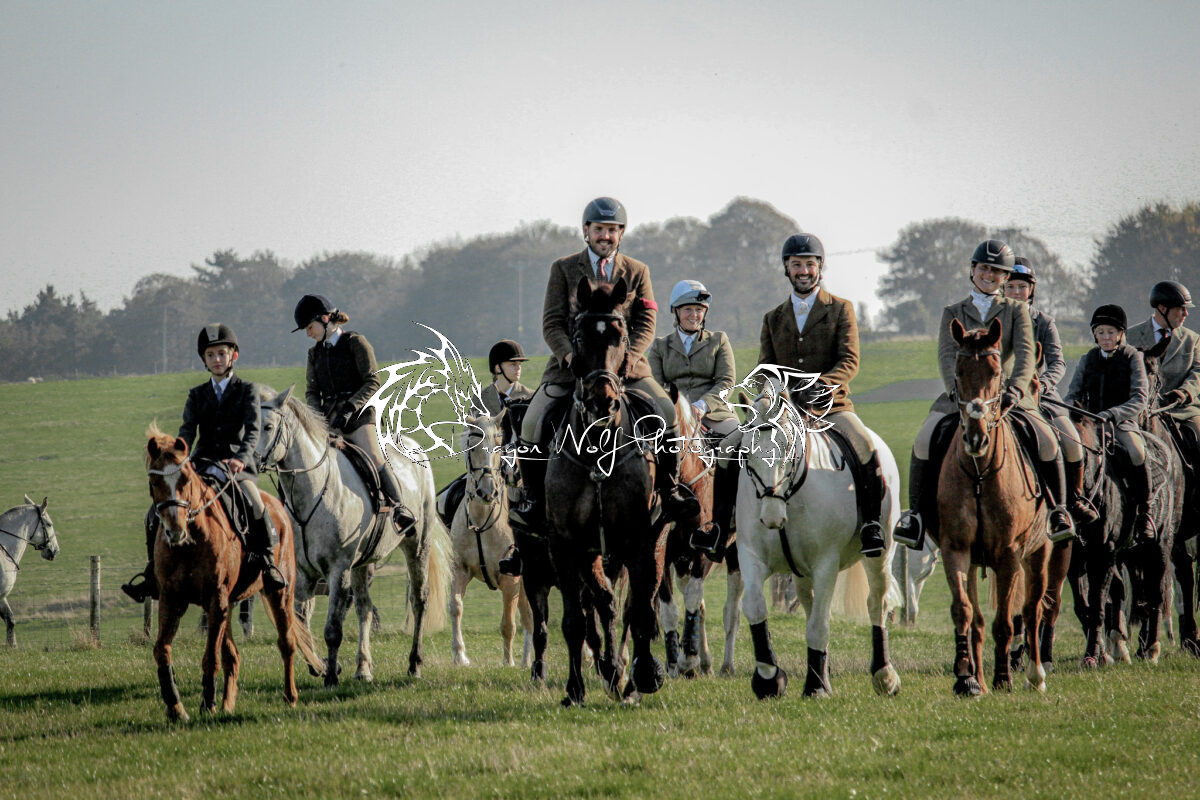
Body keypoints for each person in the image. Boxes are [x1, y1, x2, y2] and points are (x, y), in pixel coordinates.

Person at [502, 197, 699, 575]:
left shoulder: (637, 271)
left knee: (665, 409)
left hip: (626, 369)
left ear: (620, 234)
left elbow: (645, 323)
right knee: (532, 420)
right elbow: (552, 323)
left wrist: (627, 359)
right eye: (599, 230)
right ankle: (533, 501)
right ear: (586, 231)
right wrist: (568, 357)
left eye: (612, 230)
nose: (605, 236)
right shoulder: (563, 269)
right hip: (571, 370)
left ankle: (670, 488)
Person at [893, 239, 1076, 550]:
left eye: (996, 271)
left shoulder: (1016, 310)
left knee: (1047, 440)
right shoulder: (952, 311)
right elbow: (946, 356)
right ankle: (916, 516)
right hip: (961, 396)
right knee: (924, 439)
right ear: (973, 270)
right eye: (984, 268)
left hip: (1008, 396)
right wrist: (956, 393)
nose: (989, 275)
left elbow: (1026, 355)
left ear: (1004, 277)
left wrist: (1016, 388)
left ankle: (1058, 512)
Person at [121, 324, 286, 602]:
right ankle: (152, 574)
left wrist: (240, 459)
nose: (217, 359)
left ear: (233, 355)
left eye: (222, 353)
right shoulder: (196, 394)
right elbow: (187, 431)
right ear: (204, 360)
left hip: (236, 468)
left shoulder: (247, 390)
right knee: (154, 513)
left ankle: (269, 564)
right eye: (211, 355)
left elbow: (253, 431)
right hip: (201, 464)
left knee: (257, 505)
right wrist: (180, 458)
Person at [758, 233, 886, 556]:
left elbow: (849, 360)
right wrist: (772, 394)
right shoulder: (773, 318)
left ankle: (871, 524)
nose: (803, 271)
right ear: (786, 268)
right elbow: (766, 368)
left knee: (864, 445)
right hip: (787, 410)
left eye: (809, 264)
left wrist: (823, 385)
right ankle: (725, 525)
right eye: (796, 264)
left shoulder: (841, 309)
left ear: (819, 267)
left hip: (833, 407)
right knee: (746, 447)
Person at [293, 294, 413, 531]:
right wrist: (316, 420)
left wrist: (349, 408)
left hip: (359, 416)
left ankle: (400, 508)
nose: (308, 333)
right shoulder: (314, 354)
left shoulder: (356, 342)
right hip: (328, 420)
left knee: (373, 456)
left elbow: (372, 381)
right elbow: (312, 392)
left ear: (325, 319)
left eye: (309, 327)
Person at [1004, 257, 1098, 525]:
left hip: (1040, 397)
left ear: (1031, 289)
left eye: (1022, 287)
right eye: (1010, 287)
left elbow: (1058, 363)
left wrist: (1042, 385)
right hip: (1001, 397)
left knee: (1072, 442)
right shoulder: (992, 320)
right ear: (1002, 289)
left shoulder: (1044, 322)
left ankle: (1071, 502)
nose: (1016, 292)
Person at [648, 279, 739, 549]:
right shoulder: (660, 346)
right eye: (688, 309)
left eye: (699, 310)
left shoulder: (718, 340)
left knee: (738, 445)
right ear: (675, 312)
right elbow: (655, 385)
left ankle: (733, 515)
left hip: (713, 415)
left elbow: (727, 381)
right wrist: (678, 411)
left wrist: (702, 405)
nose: (694, 315)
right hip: (673, 418)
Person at [1063, 305, 1155, 541]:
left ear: (1121, 334)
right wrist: (1071, 408)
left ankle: (1145, 512)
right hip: (1090, 426)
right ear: (1095, 335)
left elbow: (1140, 398)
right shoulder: (1087, 359)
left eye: (1110, 332)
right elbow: (1072, 394)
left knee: (1137, 452)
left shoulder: (1133, 357)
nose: (1105, 337)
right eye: (1100, 332)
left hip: (1122, 424)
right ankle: (1067, 507)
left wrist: (1113, 414)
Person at [1126, 280, 1200, 461]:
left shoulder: (1193, 340)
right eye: (1180, 309)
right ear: (1162, 308)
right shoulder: (1130, 337)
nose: (1186, 313)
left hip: (1182, 410)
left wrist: (1185, 392)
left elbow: (1198, 371)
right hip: (1140, 410)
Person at [481, 338, 533, 420]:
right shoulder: (481, 398)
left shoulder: (530, 397)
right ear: (498, 368)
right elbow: (470, 427)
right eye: (513, 364)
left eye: (520, 364)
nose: (518, 368)